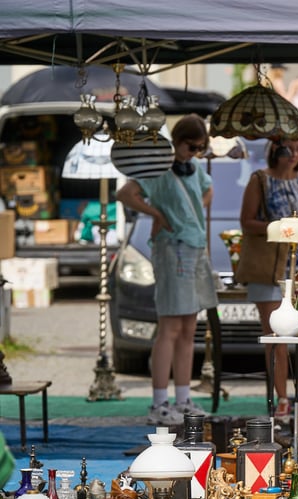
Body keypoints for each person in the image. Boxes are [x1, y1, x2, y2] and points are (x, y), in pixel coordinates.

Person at [116, 114, 217, 426]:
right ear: (177, 141)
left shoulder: (194, 168)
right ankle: (159, 402)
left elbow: (208, 190)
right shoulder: (157, 167)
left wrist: (191, 211)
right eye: (191, 146)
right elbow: (125, 193)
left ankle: (183, 398)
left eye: (200, 148)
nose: (195, 152)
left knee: (188, 328)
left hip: (193, 247)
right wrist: (156, 212)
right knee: (169, 327)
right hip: (171, 249)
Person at [239, 135, 298, 424]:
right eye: (288, 148)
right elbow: (246, 221)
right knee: (277, 335)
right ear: (275, 149)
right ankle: (282, 398)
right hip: (270, 267)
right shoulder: (260, 180)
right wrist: (282, 229)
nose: (293, 153)